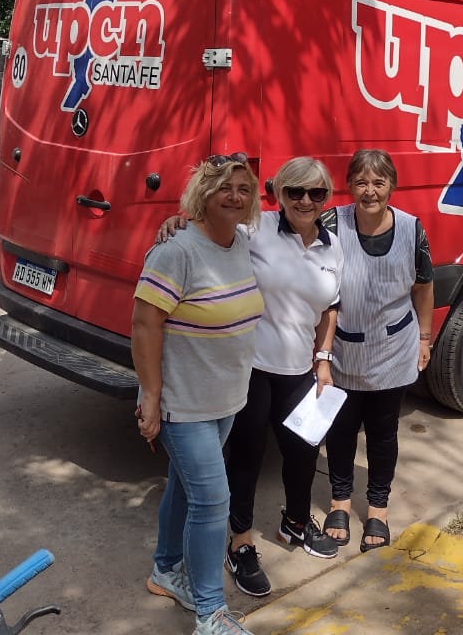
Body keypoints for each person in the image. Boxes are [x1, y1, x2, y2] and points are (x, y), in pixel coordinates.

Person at [157, 156, 344, 599]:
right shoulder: (255, 229)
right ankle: (239, 542)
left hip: (299, 368)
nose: (305, 200)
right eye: (295, 191)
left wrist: (323, 359)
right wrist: (176, 222)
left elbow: (330, 306)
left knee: (302, 452)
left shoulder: (332, 245)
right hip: (252, 368)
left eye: (316, 192)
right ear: (279, 194)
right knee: (246, 456)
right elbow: (212, 228)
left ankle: (294, 522)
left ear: (326, 198)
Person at [134, 154, 266, 635]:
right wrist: (151, 396)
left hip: (225, 399)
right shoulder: (177, 251)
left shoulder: (240, 242)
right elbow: (144, 324)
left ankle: (165, 570)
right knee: (212, 501)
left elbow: (301, 215)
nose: (235, 196)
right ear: (203, 194)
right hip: (182, 404)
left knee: (183, 487)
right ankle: (210, 613)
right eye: (224, 187)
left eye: (244, 189)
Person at [321, 149, 435, 553]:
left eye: (378, 182)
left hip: (393, 349)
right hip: (342, 348)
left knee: (383, 433)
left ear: (392, 186)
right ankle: (339, 502)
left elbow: (423, 287)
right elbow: (276, 230)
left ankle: (378, 509)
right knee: (341, 429)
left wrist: (424, 338)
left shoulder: (411, 228)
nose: (369, 191)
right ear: (349, 186)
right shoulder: (331, 223)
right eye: (361, 182)